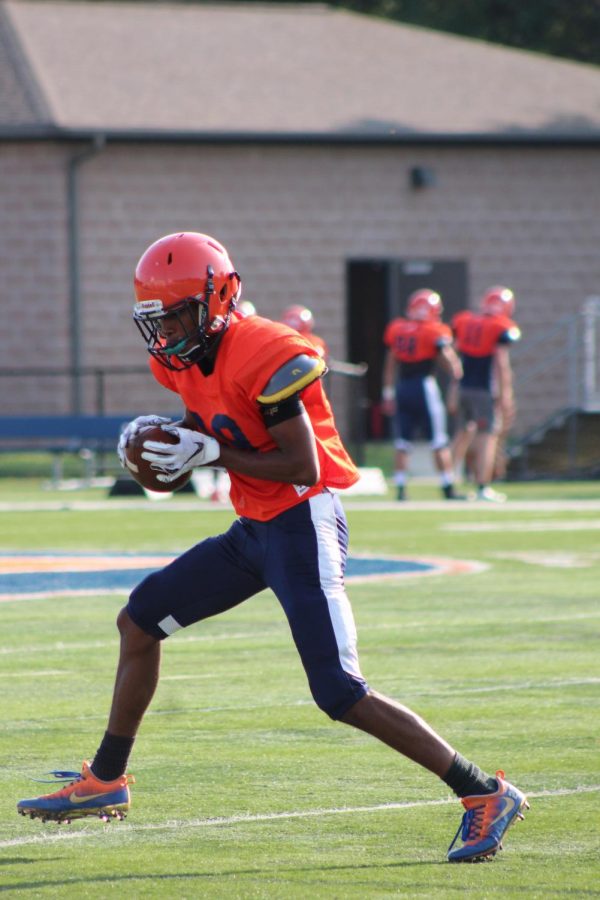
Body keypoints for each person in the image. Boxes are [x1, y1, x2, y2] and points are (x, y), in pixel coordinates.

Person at [17, 232, 528, 862]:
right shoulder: (180, 359)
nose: (168, 331)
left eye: (178, 313)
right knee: (140, 619)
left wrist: (208, 452)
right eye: (158, 319)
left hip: (302, 521)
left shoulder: (267, 349)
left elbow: (298, 462)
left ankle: (484, 792)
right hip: (254, 528)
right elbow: (216, 422)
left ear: (218, 297)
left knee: (339, 691)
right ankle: (107, 779)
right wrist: (165, 440)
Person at [381, 289, 465, 501]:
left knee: (403, 441)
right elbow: (449, 360)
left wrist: (388, 393)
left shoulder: (398, 328)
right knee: (438, 440)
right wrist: (455, 367)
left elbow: (390, 363)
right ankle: (447, 486)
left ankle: (400, 488)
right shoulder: (434, 330)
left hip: (402, 387)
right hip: (424, 386)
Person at [450, 286, 521, 502]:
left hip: (463, 388)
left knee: (462, 433)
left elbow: (455, 358)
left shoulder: (465, 321)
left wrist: (452, 390)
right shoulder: (500, 327)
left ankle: (447, 480)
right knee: (487, 436)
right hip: (483, 390)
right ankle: (482, 486)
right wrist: (506, 393)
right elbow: (501, 363)